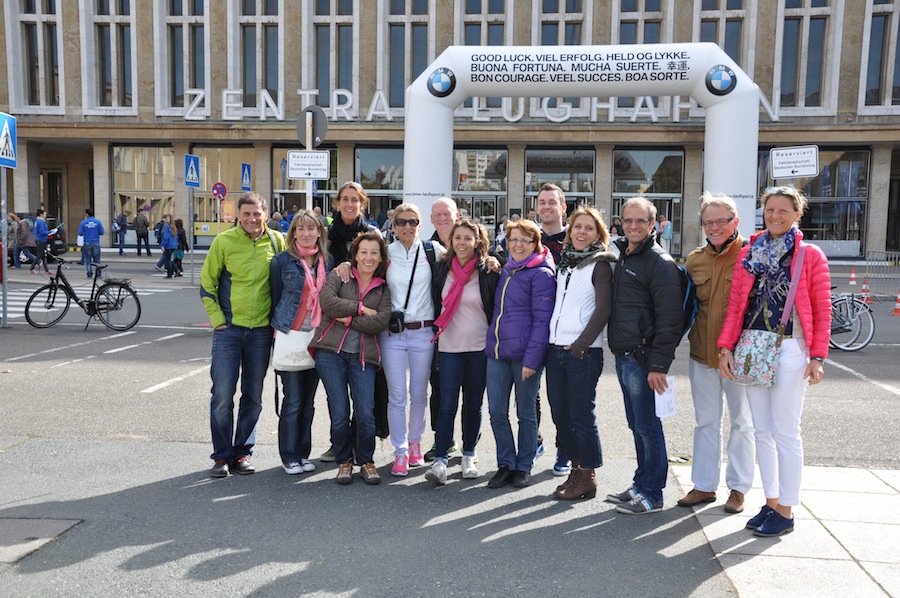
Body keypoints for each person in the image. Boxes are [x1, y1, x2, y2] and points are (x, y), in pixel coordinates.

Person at [718, 185, 831, 537]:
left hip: (791, 349)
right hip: (753, 348)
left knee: (785, 431)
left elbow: (822, 308)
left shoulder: (809, 255)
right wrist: (726, 347)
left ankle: (787, 509)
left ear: (798, 214)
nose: (775, 216)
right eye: (770, 210)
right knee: (762, 431)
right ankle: (770, 502)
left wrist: (817, 356)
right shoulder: (750, 253)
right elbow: (738, 305)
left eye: (783, 210)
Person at [678, 193, 755, 515]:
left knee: (742, 424)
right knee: (706, 423)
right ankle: (704, 485)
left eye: (720, 221)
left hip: (740, 357)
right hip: (701, 355)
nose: (714, 227)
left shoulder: (752, 256)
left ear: (735, 222)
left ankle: (738, 488)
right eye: (708, 222)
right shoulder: (694, 260)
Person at [605, 197, 683, 515]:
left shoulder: (658, 262)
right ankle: (640, 484)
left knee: (649, 427)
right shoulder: (624, 254)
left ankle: (653, 494)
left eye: (641, 221)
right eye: (628, 220)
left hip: (643, 359)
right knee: (637, 425)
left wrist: (658, 365)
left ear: (653, 224)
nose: (633, 226)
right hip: (625, 356)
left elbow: (670, 320)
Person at [201, 193, 286, 478]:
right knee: (223, 394)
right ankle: (222, 456)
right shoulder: (223, 242)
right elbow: (207, 286)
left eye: (257, 214)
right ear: (237, 215)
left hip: (261, 331)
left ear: (265, 214)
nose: (252, 219)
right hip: (229, 332)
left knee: (254, 395)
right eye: (246, 214)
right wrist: (219, 322)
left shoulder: (276, 241)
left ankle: (243, 452)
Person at [545, 208, 615, 500]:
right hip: (555, 350)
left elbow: (603, 309)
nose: (582, 232)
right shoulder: (565, 263)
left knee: (581, 416)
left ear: (598, 235)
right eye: (577, 227)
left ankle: (588, 474)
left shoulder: (600, 264)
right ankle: (576, 468)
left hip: (582, 353)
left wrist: (581, 344)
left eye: (589, 228)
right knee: (561, 415)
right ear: (570, 231)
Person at [312, 231, 392, 485]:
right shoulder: (340, 274)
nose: (368, 257)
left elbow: (380, 321)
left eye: (374, 253)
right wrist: (360, 309)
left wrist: (346, 318)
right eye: (364, 252)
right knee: (339, 411)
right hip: (330, 353)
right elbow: (327, 302)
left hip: (363, 357)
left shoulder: (383, 288)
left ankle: (366, 461)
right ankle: (344, 461)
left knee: (366, 412)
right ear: (355, 255)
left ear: (380, 258)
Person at [425, 219, 499, 485]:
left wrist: (493, 261)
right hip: (448, 347)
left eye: (468, 238)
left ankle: (469, 454)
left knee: (473, 405)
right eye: (458, 237)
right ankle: (442, 460)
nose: (462, 243)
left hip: (479, 348)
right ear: (451, 240)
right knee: (446, 405)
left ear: (478, 241)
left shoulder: (488, 271)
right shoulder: (440, 269)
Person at [485, 219, 555, 489]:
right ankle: (506, 463)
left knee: (525, 413)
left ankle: (524, 465)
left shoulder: (541, 274)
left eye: (524, 240)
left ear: (534, 244)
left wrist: (532, 360)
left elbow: (542, 321)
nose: (517, 245)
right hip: (497, 352)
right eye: (512, 239)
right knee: (496, 411)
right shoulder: (507, 268)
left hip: (525, 357)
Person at [381, 204, 443, 477]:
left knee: (419, 393)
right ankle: (400, 451)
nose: (407, 226)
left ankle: (416, 442)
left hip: (424, 332)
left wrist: (490, 260)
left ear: (420, 224)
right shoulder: (386, 253)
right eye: (401, 222)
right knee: (397, 396)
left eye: (413, 221)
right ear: (393, 225)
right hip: (392, 333)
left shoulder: (433, 251)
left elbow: (465, 263)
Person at [319, 181, 379, 462]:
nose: (350, 204)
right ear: (337, 203)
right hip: (334, 320)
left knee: (363, 398)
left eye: (355, 200)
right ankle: (338, 443)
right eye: (345, 199)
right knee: (337, 400)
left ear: (362, 204)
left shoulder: (372, 234)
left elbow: (381, 270)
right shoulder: (327, 235)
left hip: (362, 324)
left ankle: (358, 445)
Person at [270, 211, 332, 475]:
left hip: (318, 339)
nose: (306, 233)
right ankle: (289, 455)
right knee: (293, 400)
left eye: (311, 228)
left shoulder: (328, 262)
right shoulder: (282, 261)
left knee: (308, 401)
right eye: (301, 229)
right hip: (291, 336)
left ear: (320, 232)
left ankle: (303, 453)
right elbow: (275, 297)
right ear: (293, 232)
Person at [535, 182, 571, 474]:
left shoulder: (574, 241)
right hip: (532, 330)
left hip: (563, 330)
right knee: (528, 392)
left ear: (563, 207)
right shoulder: (528, 238)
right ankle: (534, 441)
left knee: (560, 397)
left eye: (551, 202)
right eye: (542, 202)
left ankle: (564, 448)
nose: (546, 207)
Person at [425, 197, 461, 462]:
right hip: (437, 331)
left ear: (456, 215)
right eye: (437, 214)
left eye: (446, 213)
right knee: (438, 388)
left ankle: (469, 441)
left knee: (470, 390)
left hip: (469, 330)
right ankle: (442, 440)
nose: (442, 218)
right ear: (431, 219)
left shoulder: (473, 244)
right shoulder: (427, 251)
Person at [76, 209, 105, 278]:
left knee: (88, 260)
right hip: (96, 242)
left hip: (87, 243)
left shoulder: (83, 223)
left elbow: (80, 233)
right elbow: (102, 232)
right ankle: (98, 274)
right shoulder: (98, 222)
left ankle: (89, 273)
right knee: (97, 260)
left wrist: (86, 232)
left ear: (87, 214)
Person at [30, 209, 52, 275]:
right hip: (41, 240)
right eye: (45, 214)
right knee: (40, 255)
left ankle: (46, 270)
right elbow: (42, 232)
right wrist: (50, 232)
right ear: (41, 215)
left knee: (43, 255)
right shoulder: (41, 222)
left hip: (40, 239)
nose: (46, 215)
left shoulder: (37, 221)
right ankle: (32, 268)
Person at [159, 214, 179, 279]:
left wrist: (163, 245)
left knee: (168, 260)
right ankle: (176, 270)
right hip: (173, 245)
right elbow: (176, 237)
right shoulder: (173, 227)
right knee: (169, 259)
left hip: (168, 245)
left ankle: (169, 274)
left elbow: (166, 237)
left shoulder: (167, 227)